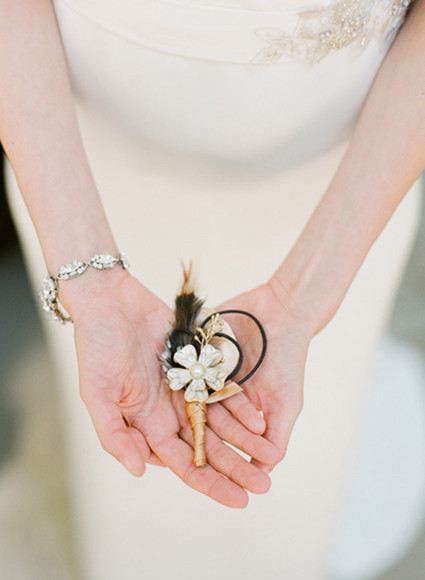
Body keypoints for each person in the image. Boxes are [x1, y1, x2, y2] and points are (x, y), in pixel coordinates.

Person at [2, 0, 425, 578]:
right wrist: (89, 280)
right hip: (70, 164)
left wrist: (304, 297)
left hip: (353, 181)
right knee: (129, 470)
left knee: (303, 456)